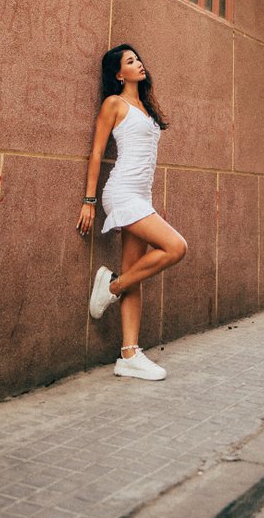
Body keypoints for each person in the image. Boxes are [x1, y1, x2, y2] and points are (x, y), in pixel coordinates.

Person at [77, 44, 187, 380]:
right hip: (122, 193)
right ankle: (111, 287)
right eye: (130, 61)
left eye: (138, 58)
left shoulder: (146, 106)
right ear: (117, 74)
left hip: (141, 196)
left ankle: (128, 354)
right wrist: (89, 200)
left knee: (135, 273)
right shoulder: (115, 104)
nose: (138, 64)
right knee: (176, 248)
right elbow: (96, 153)